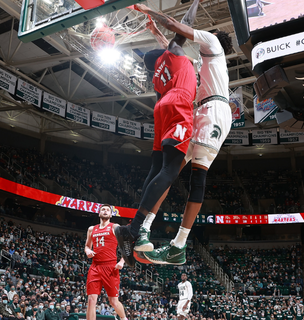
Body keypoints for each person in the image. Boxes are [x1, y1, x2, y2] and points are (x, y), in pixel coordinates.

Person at [132, 0, 234, 265]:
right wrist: (156, 34)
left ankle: (177, 242)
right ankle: (147, 230)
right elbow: (173, 50)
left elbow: (178, 28)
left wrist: (148, 10)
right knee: (172, 167)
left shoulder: (212, 42)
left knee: (191, 175)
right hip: (200, 110)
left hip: (214, 111)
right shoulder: (203, 60)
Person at [114, 0, 200, 268]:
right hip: (178, 103)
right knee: (171, 171)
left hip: (161, 109)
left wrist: (153, 32)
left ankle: (136, 229)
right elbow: (182, 29)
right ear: (161, 55)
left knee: (156, 169)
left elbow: (167, 43)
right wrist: (196, 2)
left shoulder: (158, 73)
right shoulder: (173, 56)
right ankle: (134, 227)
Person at [85, 205, 128, 320]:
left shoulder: (115, 227)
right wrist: (88, 250)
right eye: (103, 209)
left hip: (110, 267)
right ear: (99, 213)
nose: (105, 211)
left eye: (107, 210)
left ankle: (124, 318)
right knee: (91, 300)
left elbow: (125, 246)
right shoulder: (91, 229)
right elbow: (87, 246)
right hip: (95, 267)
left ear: (111, 214)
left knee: (113, 301)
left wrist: (122, 261)